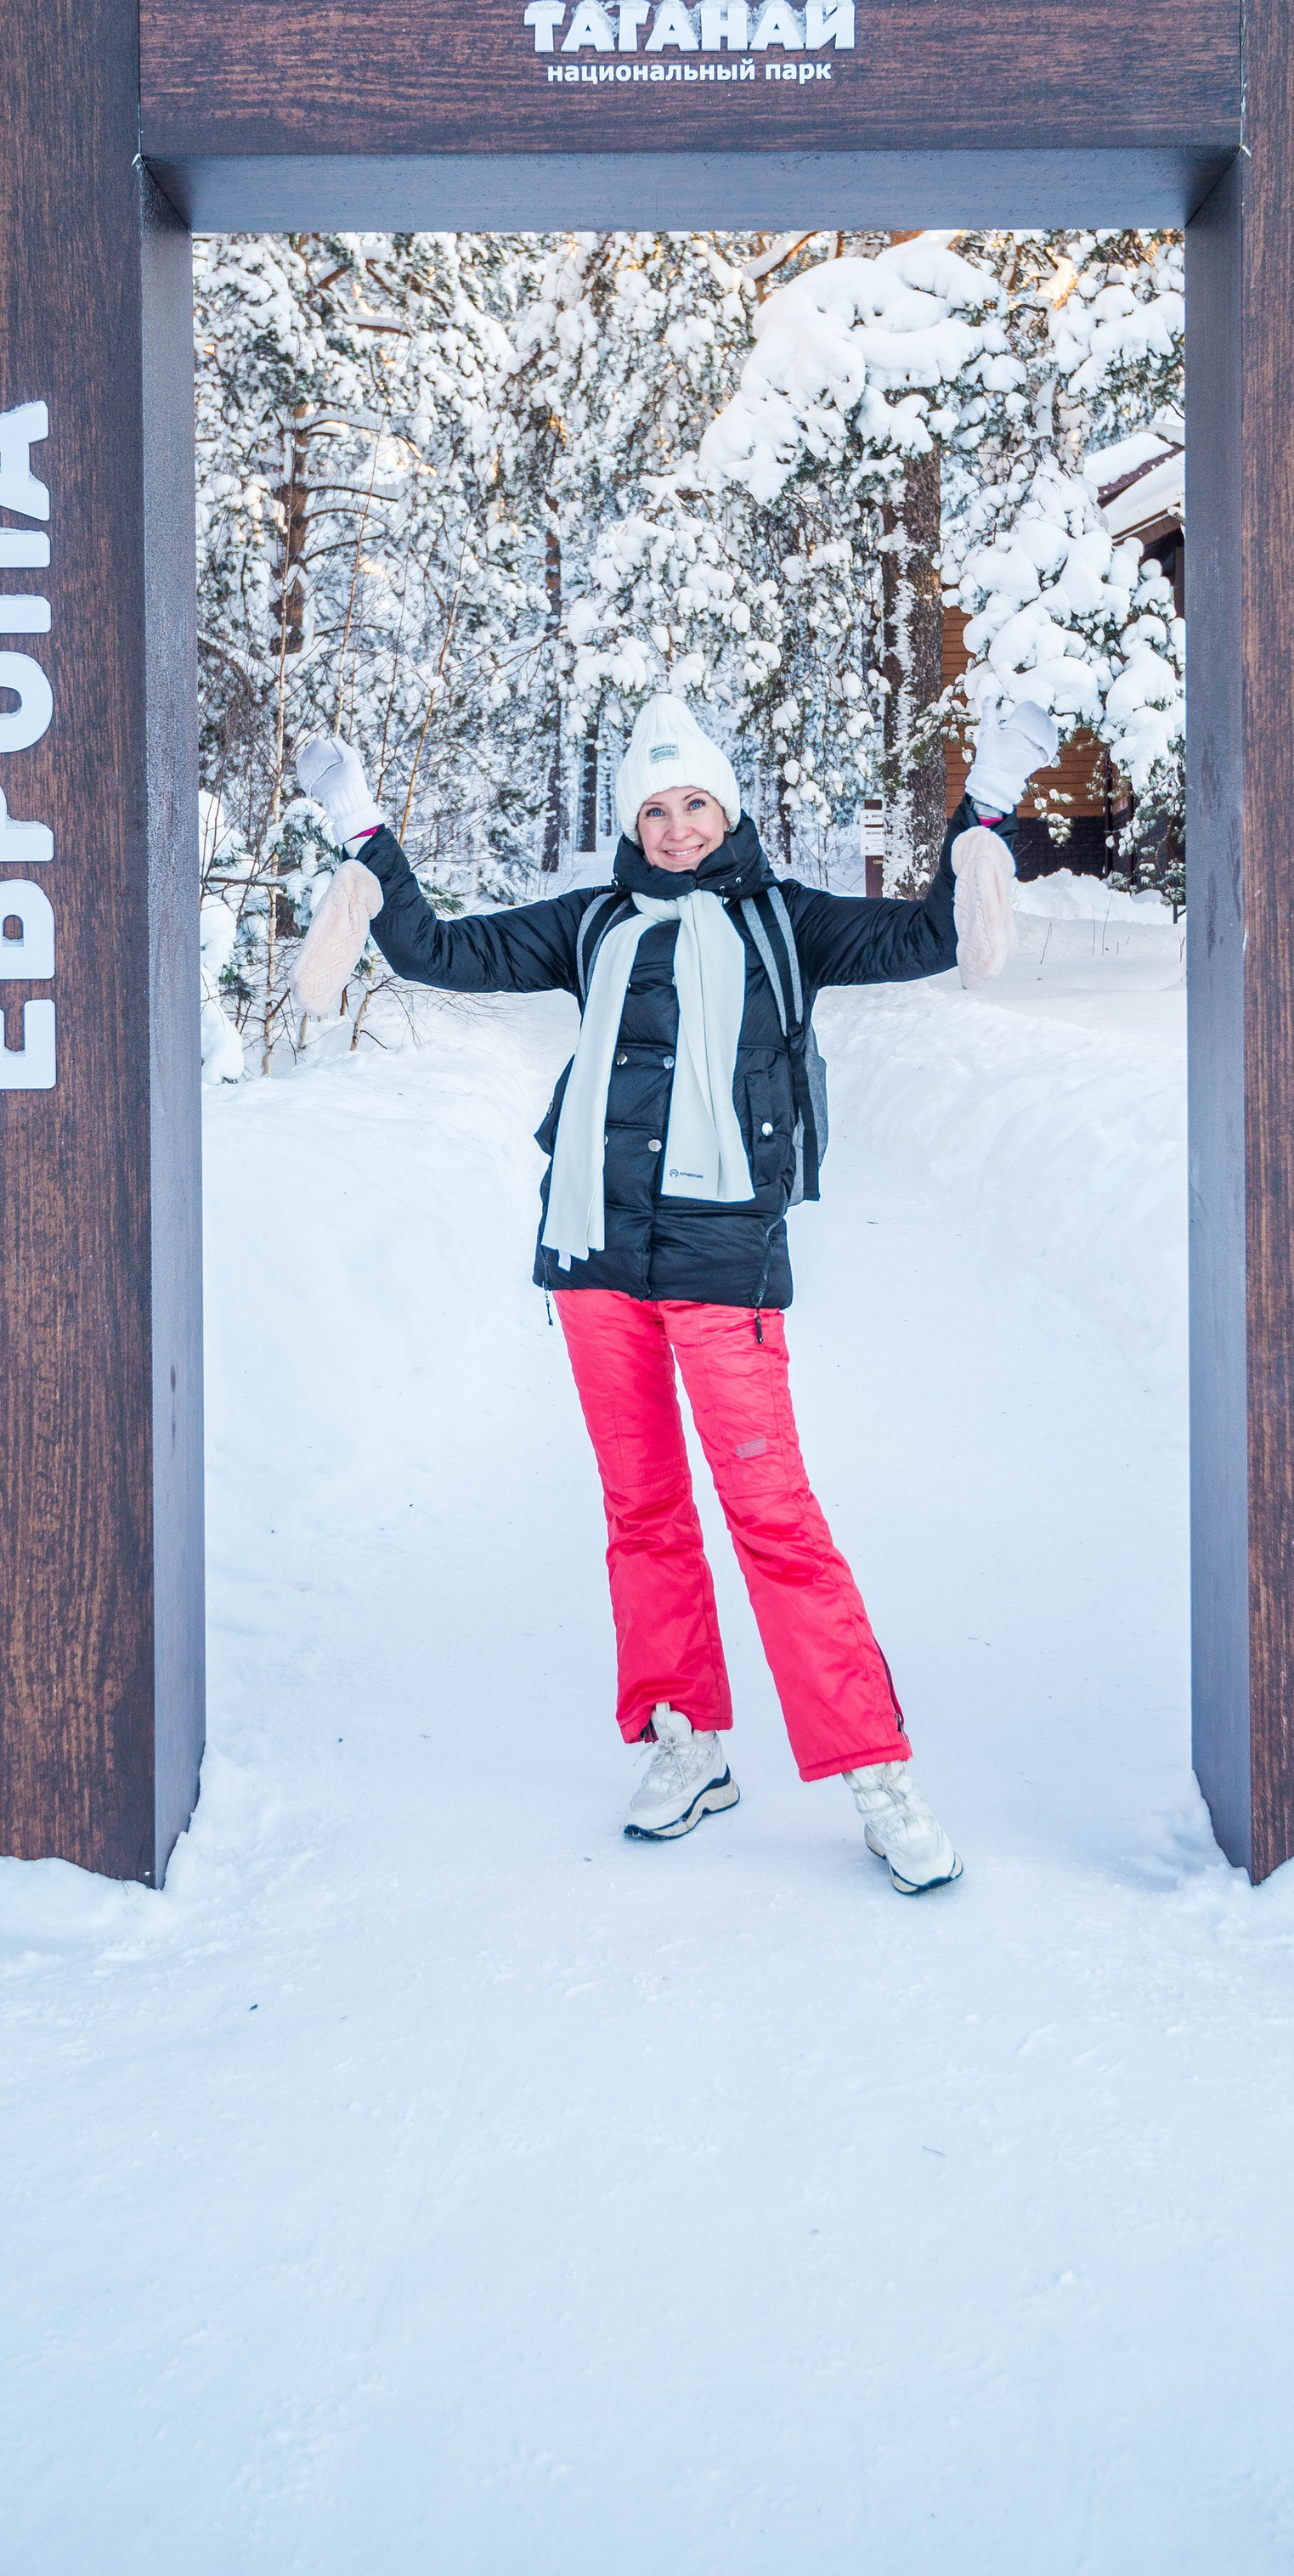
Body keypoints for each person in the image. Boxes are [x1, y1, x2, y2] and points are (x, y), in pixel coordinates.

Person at [295, 690, 1058, 1897]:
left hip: (722, 1259)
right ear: (632, 821)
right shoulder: (592, 920)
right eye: (655, 808)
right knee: (643, 1511)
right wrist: (364, 832)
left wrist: (991, 801)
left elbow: (929, 932)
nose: (678, 826)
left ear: (728, 807)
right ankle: (686, 1740)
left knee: (776, 1519)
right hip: (597, 1258)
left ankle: (875, 1771)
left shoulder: (786, 923)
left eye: (696, 801)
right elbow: (441, 952)